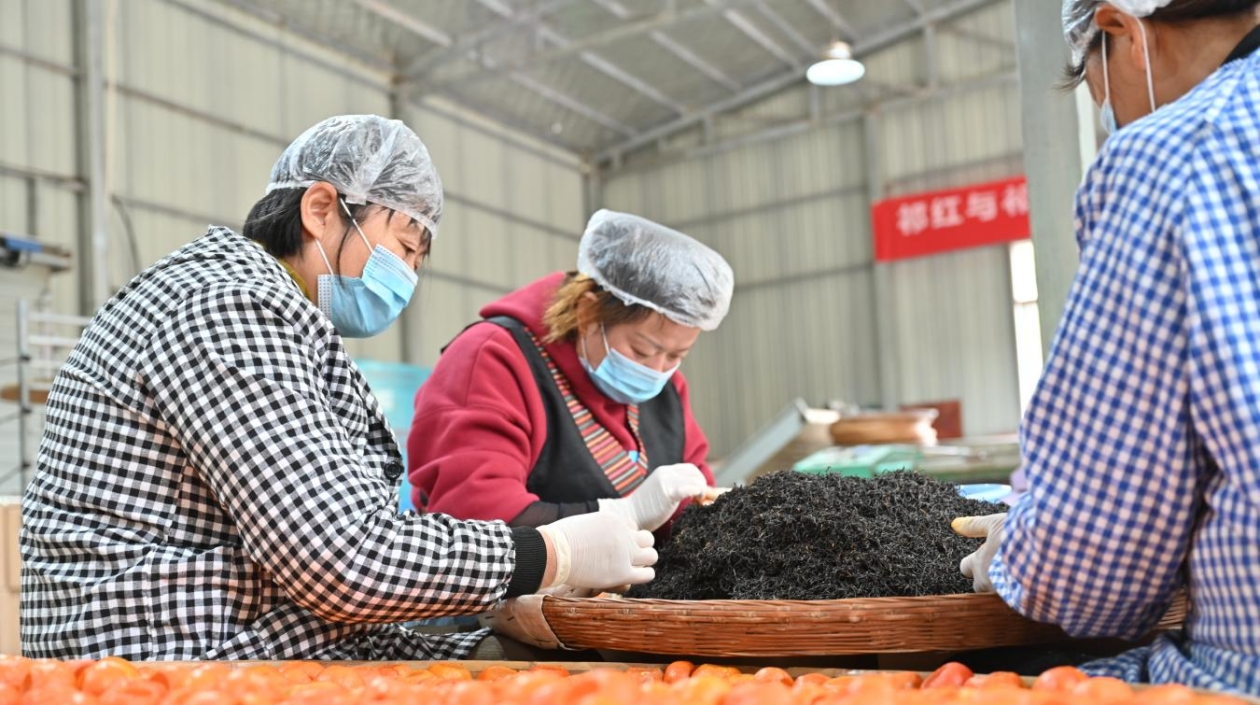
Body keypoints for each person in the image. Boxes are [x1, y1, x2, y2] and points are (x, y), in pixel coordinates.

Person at [19, 115, 657, 661]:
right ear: (322, 210)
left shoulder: (280, 321)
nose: (407, 277)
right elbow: (339, 558)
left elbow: (331, 583)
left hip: (237, 643)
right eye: (404, 247)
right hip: (163, 664)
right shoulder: (226, 307)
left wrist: (492, 637)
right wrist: (546, 554)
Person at [953, 0, 1260, 692]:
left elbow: (1101, 566)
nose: (1115, 120)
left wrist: (1025, 551)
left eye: (1102, 98)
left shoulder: (1177, 154)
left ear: (1123, 30)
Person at [408, 210, 733, 534]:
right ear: (587, 312)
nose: (658, 370)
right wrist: (624, 515)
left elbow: (699, 499)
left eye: (677, 355)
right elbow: (474, 512)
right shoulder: (493, 358)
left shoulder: (668, 388)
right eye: (642, 350)